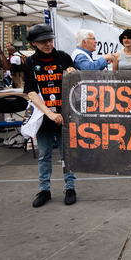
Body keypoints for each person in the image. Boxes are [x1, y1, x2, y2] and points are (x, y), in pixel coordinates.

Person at [23, 24, 78, 208]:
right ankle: (44, 189)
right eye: (43, 41)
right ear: (34, 43)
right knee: (44, 155)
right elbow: (30, 92)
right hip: (44, 116)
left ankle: (70, 187)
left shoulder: (63, 57)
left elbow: (78, 85)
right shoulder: (30, 63)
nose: (48, 44)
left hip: (66, 115)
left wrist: (74, 74)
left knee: (66, 154)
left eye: (50, 40)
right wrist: (50, 113)